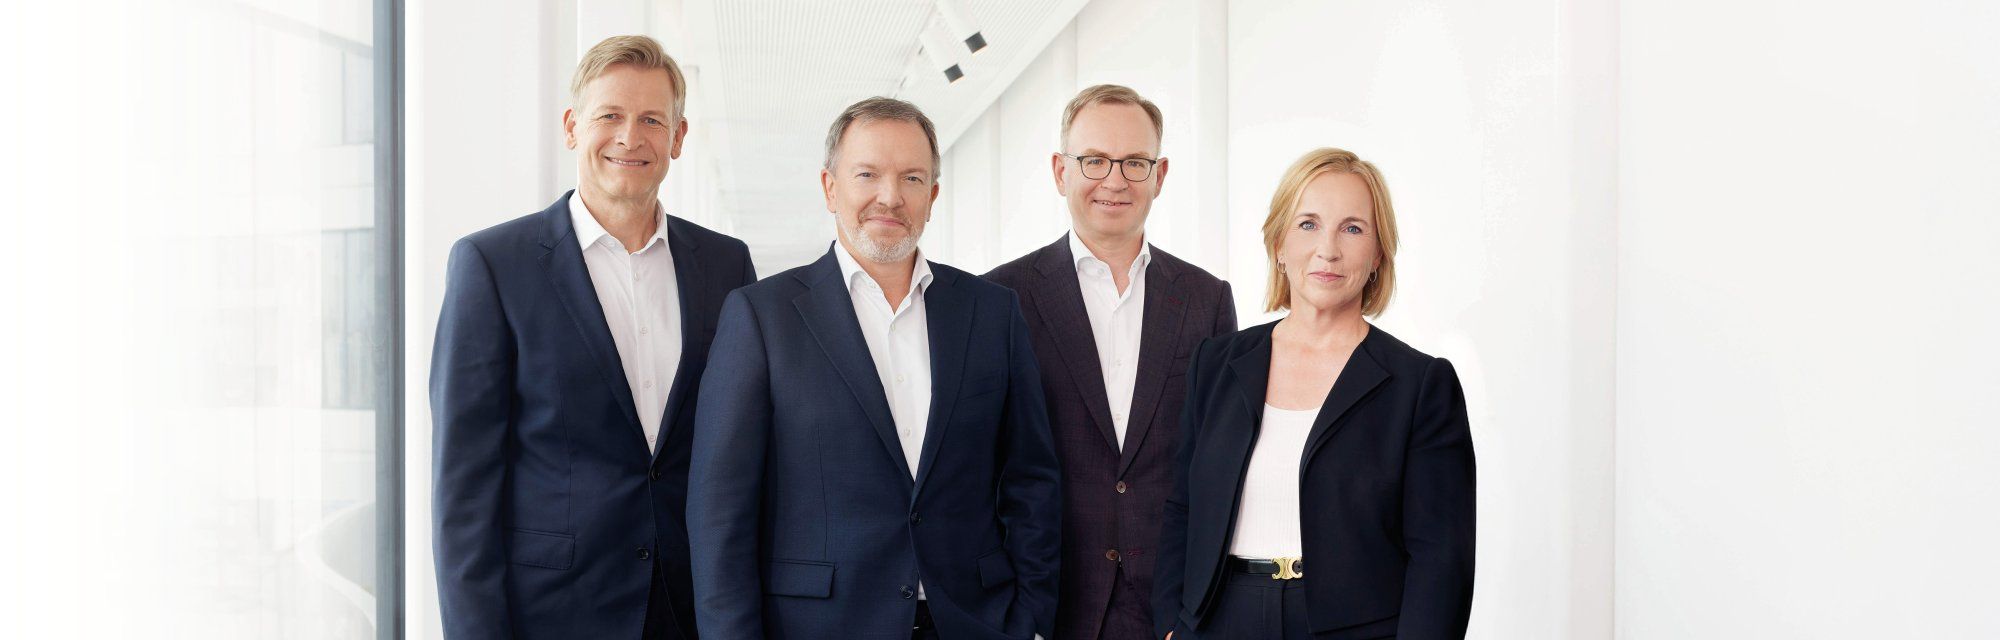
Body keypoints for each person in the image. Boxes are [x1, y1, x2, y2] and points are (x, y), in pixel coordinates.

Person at [687, 97, 1061, 640]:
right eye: (867, 174)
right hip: (820, 625)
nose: (890, 196)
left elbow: (1030, 480)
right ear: (830, 187)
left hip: (974, 621)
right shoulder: (761, 316)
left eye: (912, 178)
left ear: (932, 196)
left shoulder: (991, 311)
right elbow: (720, 510)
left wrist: (1031, 618)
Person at [430, 35, 755, 639]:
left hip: (692, 608)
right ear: (572, 127)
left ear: (678, 137)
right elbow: (464, 489)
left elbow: (742, 452)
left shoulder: (726, 265)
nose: (630, 137)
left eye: (652, 120)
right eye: (609, 115)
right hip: (554, 612)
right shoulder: (494, 265)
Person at [1153, 148, 1475, 639]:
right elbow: (1183, 508)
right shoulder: (1216, 364)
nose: (1328, 249)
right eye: (1308, 224)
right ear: (1279, 244)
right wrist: (1172, 625)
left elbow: (1441, 559)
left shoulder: (1420, 385)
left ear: (1378, 253)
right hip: (1221, 621)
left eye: (1353, 228)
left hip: (1357, 628)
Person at [983, 84, 1235, 640]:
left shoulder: (1207, 299)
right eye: (1094, 160)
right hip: (1048, 607)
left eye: (1135, 162)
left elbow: (1219, 469)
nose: (1115, 180)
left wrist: (1195, 610)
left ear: (1160, 175)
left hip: (1170, 611)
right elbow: (981, 469)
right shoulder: (999, 298)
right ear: (1061, 171)